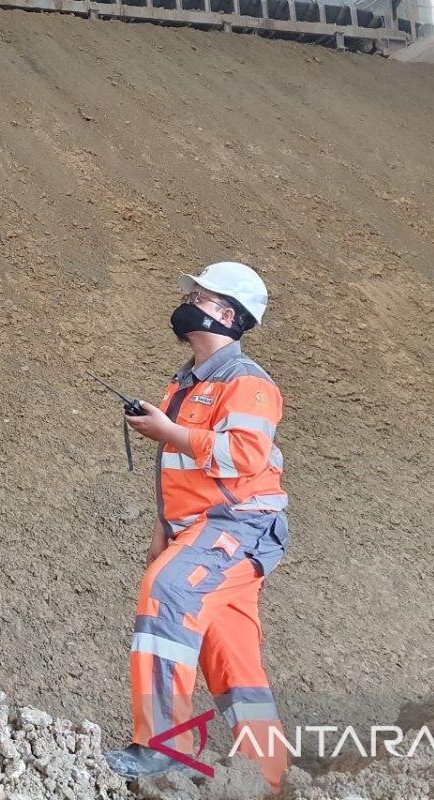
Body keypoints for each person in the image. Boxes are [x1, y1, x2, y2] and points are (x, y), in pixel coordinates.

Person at [105, 262, 290, 791]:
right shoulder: (184, 382)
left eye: (201, 297)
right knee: (232, 658)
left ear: (228, 315)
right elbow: (179, 469)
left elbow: (246, 457)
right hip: (202, 530)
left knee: (167, 593)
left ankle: (162, 747)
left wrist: (170, 432)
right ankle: (272, 775)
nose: (188, 302)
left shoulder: (248, 382)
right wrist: (164, 531)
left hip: (239, 525)